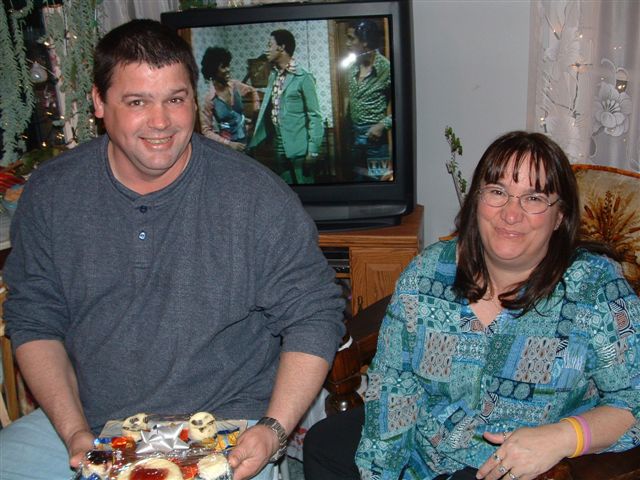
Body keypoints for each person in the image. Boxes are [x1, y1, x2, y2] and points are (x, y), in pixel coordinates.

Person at [0, 19, 345, 480]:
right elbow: (34, 318)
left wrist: (273, 429)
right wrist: (74, 431)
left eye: (175, 99)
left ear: (193, 101)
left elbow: (314, 314)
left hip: (223, 429)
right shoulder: (51, 193)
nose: (161, 122)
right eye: (137, 102)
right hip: (90, 421)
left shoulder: (255, 196)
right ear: (99, 103)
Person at [304, 131, 640, 480]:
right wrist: (380, 472)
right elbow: (395, 384)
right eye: (498, 192)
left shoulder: (594, 287)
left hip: (516, 464)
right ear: (477, 200)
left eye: (534, 198)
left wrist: (562, 437)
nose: (511, 214)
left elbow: (635, 400)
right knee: (324, 445)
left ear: (559, 217)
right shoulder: (429, 272)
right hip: (428, 440)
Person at [248, 29, 324, 185]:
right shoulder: (274, 76)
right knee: (285, 189)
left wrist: (313, 150)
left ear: (281, 47)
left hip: (300, 148)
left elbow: (315, 116)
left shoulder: (303, 77)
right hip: (279, 145)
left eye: (270, 45)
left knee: (305, 189)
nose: (267, 49)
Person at [344, 20, 392, 181]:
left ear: (365, 41)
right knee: (357, 184)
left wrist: (382, 125)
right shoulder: (352, 67)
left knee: (377, 186)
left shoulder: (386, 68)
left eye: (351, 38)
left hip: (375, 140)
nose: (347, 43)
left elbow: (404, 108)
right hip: (355, 139)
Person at [200, 46, 260, 152]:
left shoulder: (235, 85)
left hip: (247, 141)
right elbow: (206, 131)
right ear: (213, 70)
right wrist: (229, 144)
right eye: (223, 67)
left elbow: (253, 91)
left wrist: (255, 111)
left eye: (228, 65)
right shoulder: (209, 98)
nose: (228, 69)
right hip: (228, 148)